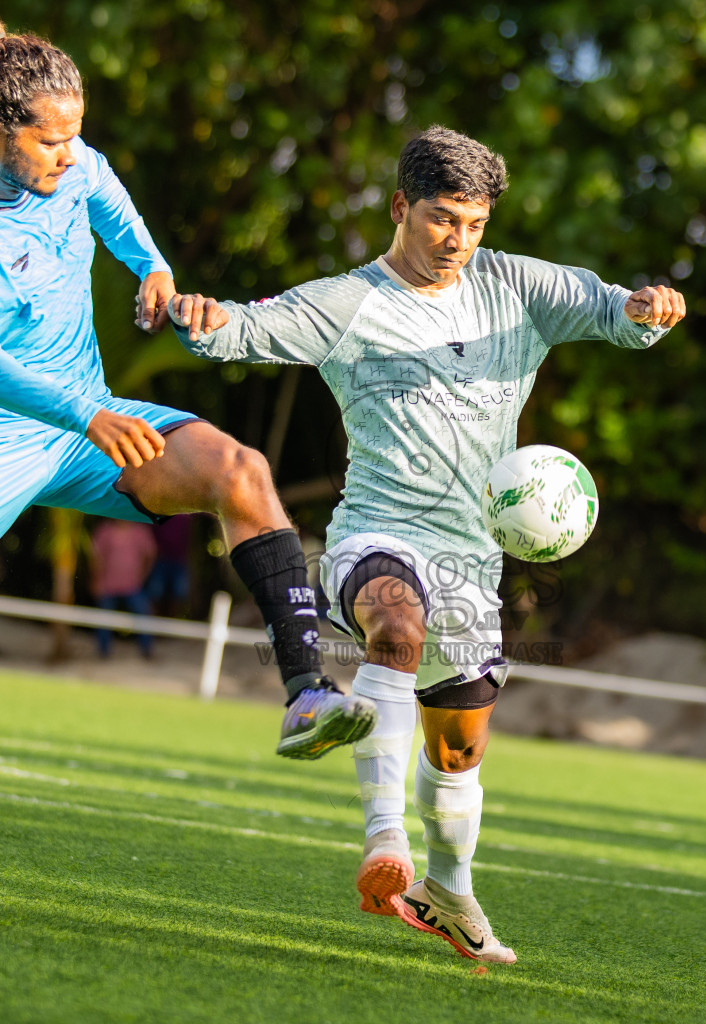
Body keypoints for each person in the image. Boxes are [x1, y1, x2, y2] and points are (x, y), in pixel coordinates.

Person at [169, 126, 686, 963]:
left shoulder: (516, 286)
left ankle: (448, 890)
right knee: (397, 627)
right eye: (442, 218)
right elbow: (246, 328)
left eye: (474, 224)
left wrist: (644, 309)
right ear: (400, 207)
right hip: (374, 536)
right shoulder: (350, 302)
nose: (458, 240)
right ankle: (385, 842)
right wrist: (201, 317)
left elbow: (609, 310)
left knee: (459, 751)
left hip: (470, 563)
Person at [0, 24, 375, 758]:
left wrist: (154, 267)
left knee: (239, 471)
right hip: (23, 428)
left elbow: (109, 199)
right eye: (50, 142)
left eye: (75, 135)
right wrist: (86, 413)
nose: (69, 154)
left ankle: (307, 693)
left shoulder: (73, 165)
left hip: (91, 425)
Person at [89, 518, 157, 658]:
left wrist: (143, 575)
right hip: (108, 585)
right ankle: (103, 652)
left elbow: (151, 553)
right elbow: (96, 556)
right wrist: (97, 580)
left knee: (144, 615)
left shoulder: (140, 531)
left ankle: (146, 650)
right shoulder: (105, 530)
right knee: (104, 619)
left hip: (133, 585)